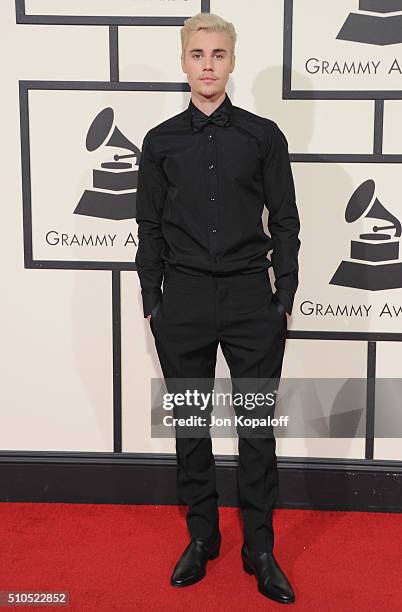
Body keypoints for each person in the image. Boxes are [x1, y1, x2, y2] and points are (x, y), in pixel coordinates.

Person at [135, 12, 300, 605]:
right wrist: (153, 298)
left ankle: (261, 547)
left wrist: (284, 294)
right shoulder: (159, 142)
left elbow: (285, 219)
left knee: (256, 428)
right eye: (198, 54)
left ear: (232, 62)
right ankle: (202, 538)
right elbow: (147, 226)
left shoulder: (263, 135)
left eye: (218, 55)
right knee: (191, 425)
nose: (208, 65)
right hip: (180, 302)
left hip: (253, 302)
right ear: (184, 61)